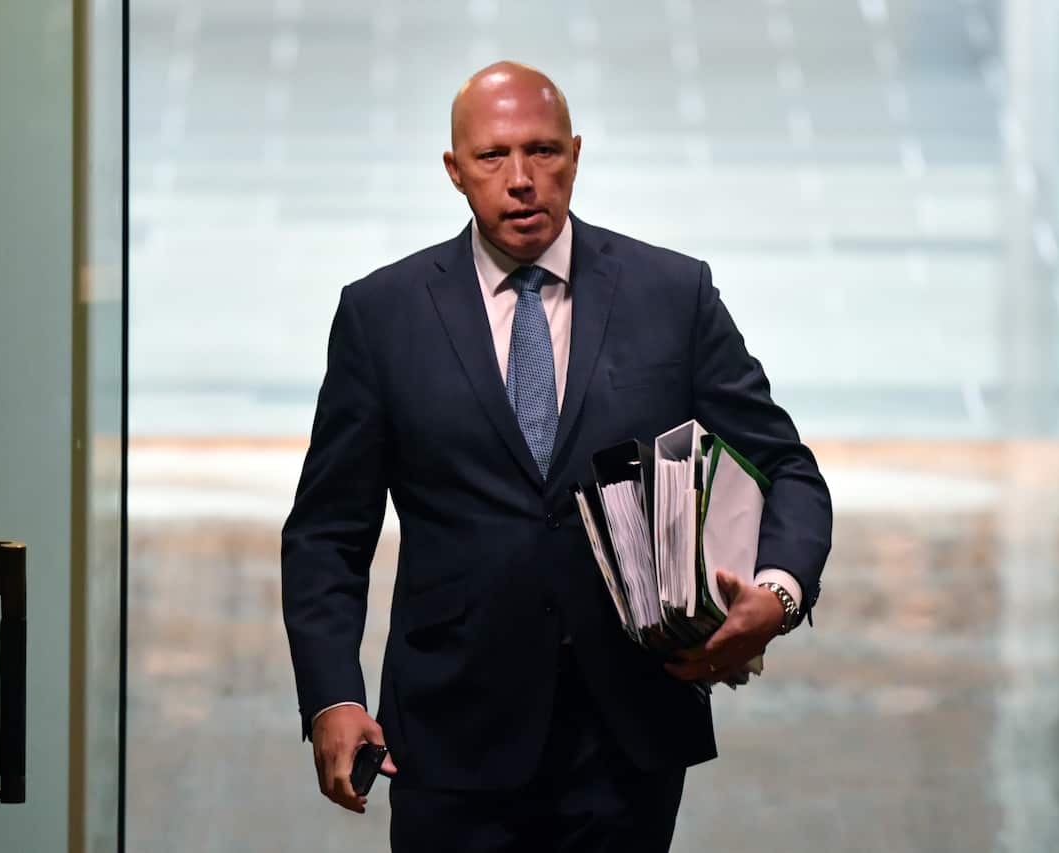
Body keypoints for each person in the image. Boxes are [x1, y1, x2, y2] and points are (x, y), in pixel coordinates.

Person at [281, 60, 832, 852]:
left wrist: (774, 599)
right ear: (453, 170)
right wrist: (332, 697)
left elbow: (787, 470)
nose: (521, 180)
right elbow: (328, 532)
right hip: (451, 734)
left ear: (576, 154)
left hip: (629, 733)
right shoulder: (382, 315)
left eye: (542, 152)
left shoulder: (672, 295)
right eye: (493, 157)